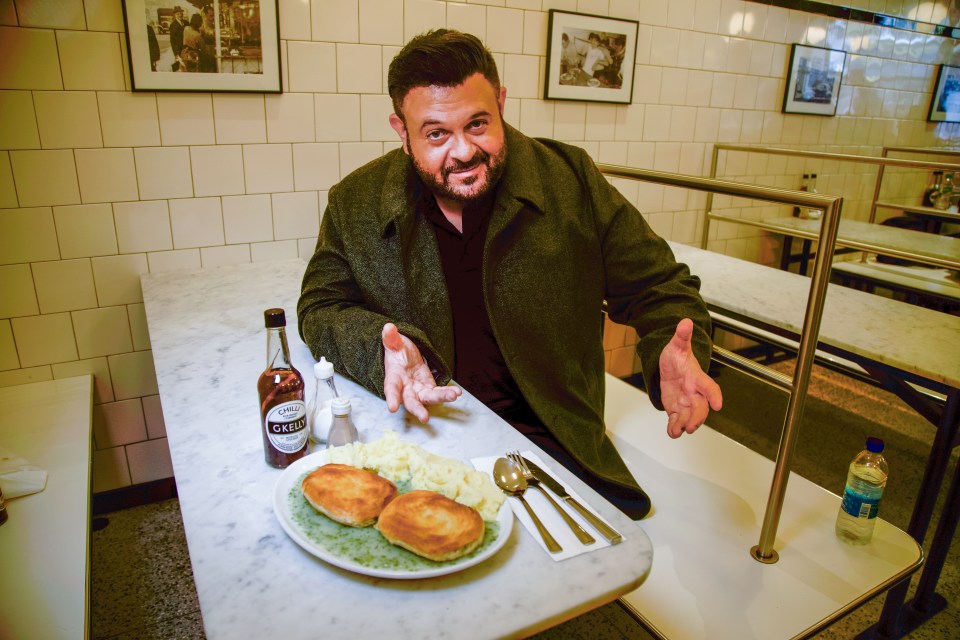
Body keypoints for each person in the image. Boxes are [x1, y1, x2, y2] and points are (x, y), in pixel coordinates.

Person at [298, 30, 722, 520]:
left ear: (500, 102)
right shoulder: (356, 202)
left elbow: (660, 285)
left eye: (478, 124)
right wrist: (381, 348)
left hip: (552, 444)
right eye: (436, 133)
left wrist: (672, 342)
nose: (462, 152)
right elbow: (319, 306)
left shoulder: (570, 179)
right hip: (426, 435)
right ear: (401, 129)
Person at [168, 6, 185, 72]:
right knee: (179, 67)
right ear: (175, 15)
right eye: (178, 14)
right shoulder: (173, 25)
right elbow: (172, 40)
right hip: (179, 50)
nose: (180, 15)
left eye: (181, 13)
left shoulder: (186, 23)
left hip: (186, 49)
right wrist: (176, 53)